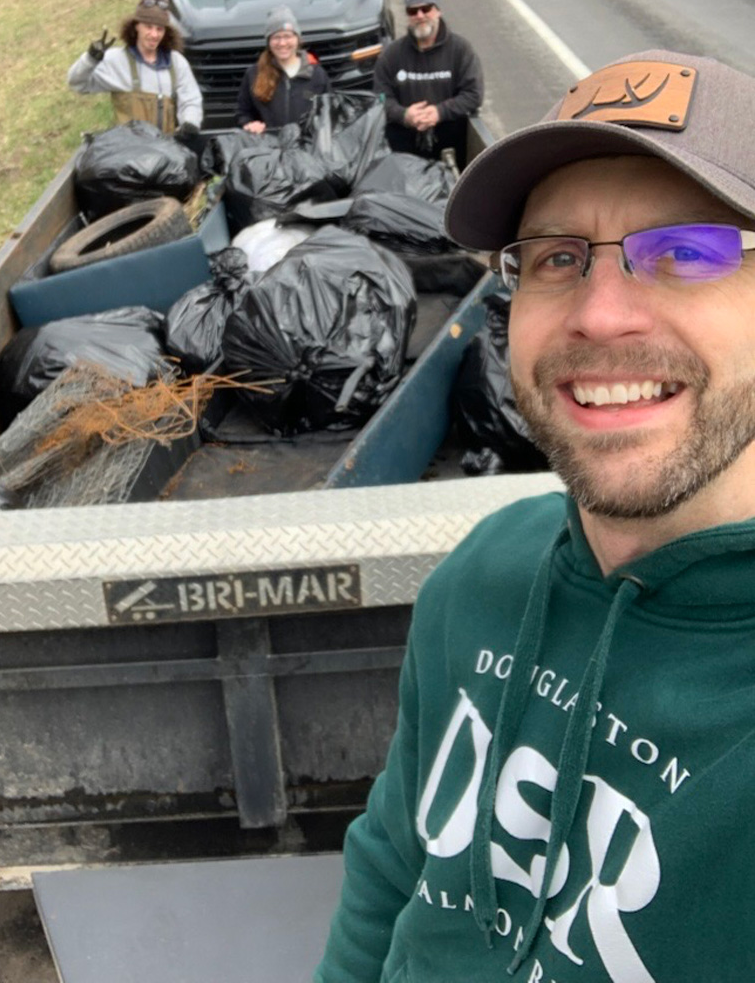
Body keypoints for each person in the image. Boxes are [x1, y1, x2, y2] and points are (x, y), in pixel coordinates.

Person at [315, 49, 755, 982]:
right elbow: (392, 868)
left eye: (685, 251)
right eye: (557, 258)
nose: (600, 316)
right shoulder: (482, 576)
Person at [67, 0, 203, 141]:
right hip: (128, 154)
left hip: (166, 152)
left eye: (160, 29)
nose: (154, 34)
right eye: (148, 27)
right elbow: (77, 83)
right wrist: (90, 59)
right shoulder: (115, 60)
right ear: (136, 26)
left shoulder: (176, 62)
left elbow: (191, 100)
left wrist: (190, 122)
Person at [373, 0, 483, 165]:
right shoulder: (391, 55)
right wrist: (404, 115)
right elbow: (380, 98)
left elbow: (473, 95)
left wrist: (439, 112)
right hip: (404, 150)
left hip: (451, 146)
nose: (420, 16)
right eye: (413, 11)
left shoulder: (461, 50)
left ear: (438, 11)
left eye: (426, 9)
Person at [236, 6, 331, 133]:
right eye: (276, 37)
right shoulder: (253, 74)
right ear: (269, 42)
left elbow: (329, 112)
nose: (282, 43)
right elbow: (242, 112)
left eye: (287, 36)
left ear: (297, 39)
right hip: (269, 148)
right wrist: (248, 124)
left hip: (307, 148)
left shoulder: (317, 75)